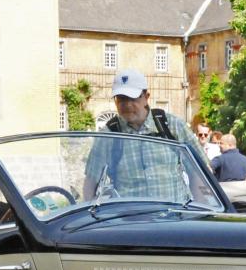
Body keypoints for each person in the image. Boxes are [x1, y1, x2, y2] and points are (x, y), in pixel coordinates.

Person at [84, 67, 205, 200]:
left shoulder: (171, 125)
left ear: (146, 97)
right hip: (130, 218)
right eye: (122, 99)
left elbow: (199, 171)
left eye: (133, 98)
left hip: (174, 215)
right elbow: (91, 181)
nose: (127, 105)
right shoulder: (110, 134)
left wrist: (200, 210)